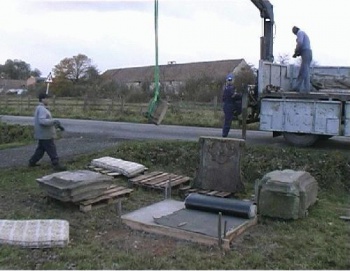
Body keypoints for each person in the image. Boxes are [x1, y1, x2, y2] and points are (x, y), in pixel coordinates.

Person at [28, 93, 66, 171]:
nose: (48, 100)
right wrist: (53, 121)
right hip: (45, 134)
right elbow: (42, 121)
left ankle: (32, 162)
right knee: (51, 148)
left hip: (42, 133)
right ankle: (56, 164)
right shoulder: (42, 109)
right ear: (42, 99)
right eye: (47, 98)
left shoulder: (40, 108)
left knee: (41, 150)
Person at [292, 26, 313, 93]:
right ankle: (305, 89)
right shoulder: (303, 33)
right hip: (307, 52)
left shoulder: (300, 33)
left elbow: (300, 43)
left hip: (306, 52)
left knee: (303, 71)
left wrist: (296, 51)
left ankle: (298, 87)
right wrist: (298, 52)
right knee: (305, 71)